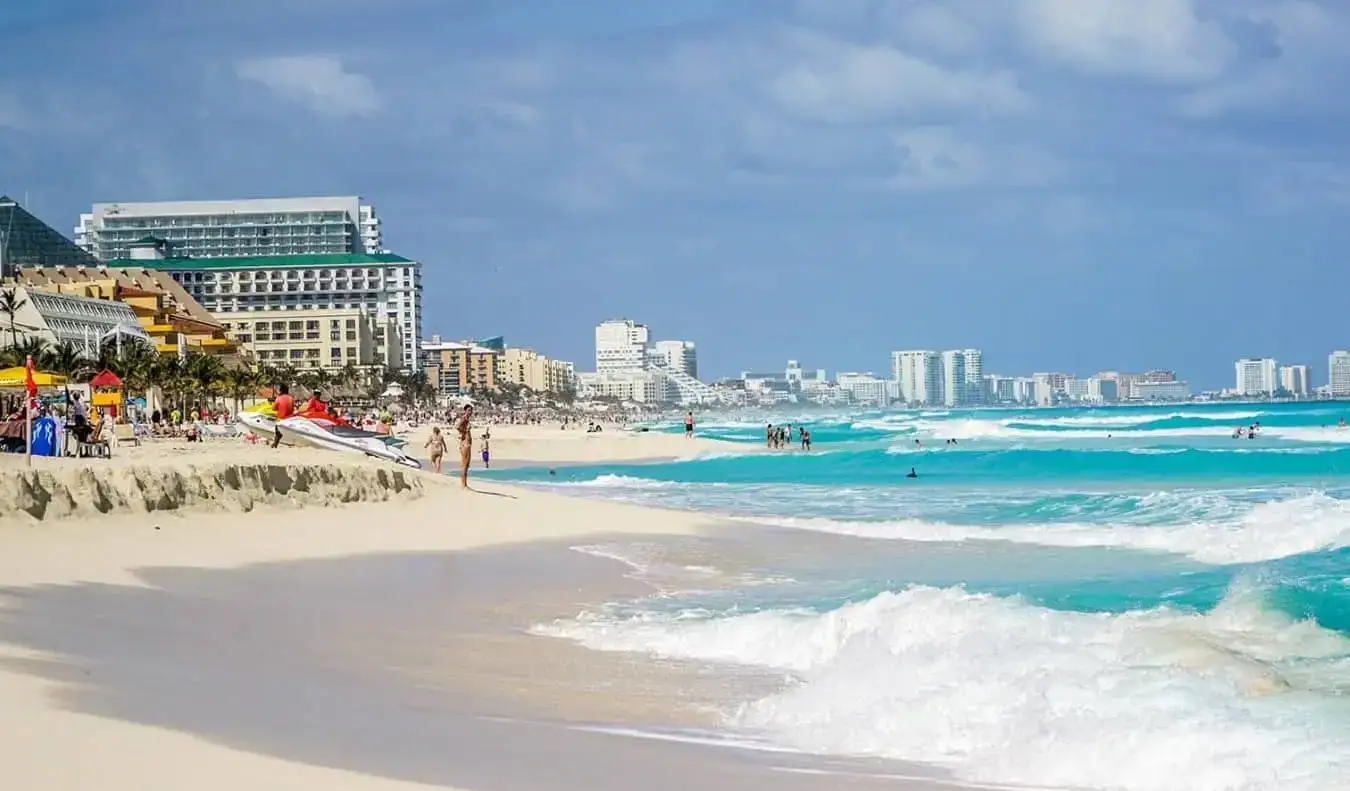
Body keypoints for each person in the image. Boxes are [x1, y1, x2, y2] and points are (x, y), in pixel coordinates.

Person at [454, 404, 473, 488]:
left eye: (471, 410)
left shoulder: (467, 419)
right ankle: (463, 484)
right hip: (465, 443)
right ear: (465, 410)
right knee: (464, 464)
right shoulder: (464, 418)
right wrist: (464, 431)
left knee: (467, 464)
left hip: (467, 442)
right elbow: (457, 426)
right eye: (469, 410)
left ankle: (465, 483)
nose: (470, 412)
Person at [272, 384, 294, 448]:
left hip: (281, 419)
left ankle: (275, 444)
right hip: (290, 419)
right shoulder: (291, 398)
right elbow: (292, 409)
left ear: (281, 391)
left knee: (277, 433)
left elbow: (273, 408)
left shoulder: (279, 398)